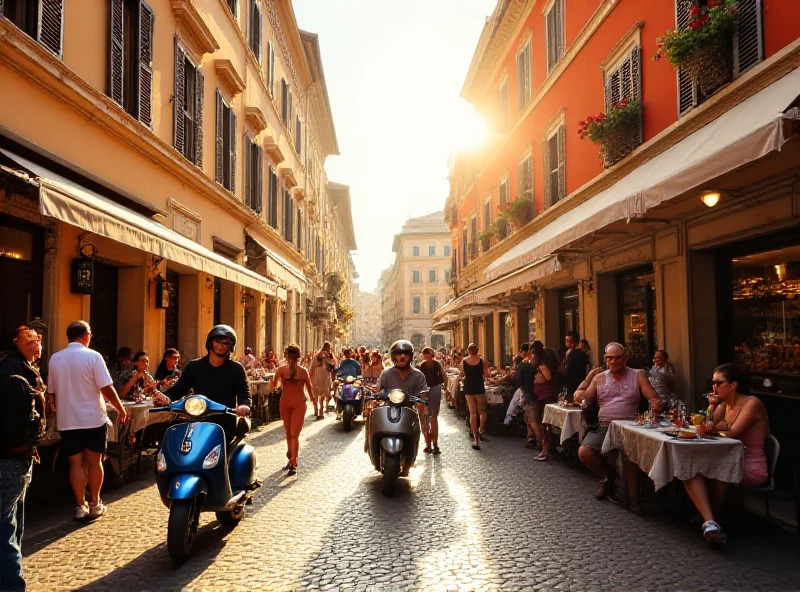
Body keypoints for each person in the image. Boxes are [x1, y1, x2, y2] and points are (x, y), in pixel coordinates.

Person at [47, 321, 129, 520]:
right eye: (90, 334)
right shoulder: (93, 356)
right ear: (85, 335)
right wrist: (120, 408)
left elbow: (51, 392)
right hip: (92, 418)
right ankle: (94, 502)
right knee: (94, 462)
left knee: (75, 463)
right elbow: (106, 388)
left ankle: (79, 505)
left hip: (68, 419)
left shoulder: (55, 359)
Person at [682, 363, 769, 545]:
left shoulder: (751, 403)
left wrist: (718, 428)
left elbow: (733, 433)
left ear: (733, 385)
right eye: (712, 383)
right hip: (727, 458)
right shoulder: (723, 405)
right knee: (688, 468)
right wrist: (712, 407)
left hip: (751, 464)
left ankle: (712, 517)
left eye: (718, 382)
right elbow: (703, 425)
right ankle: (710, 521)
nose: (713, 387)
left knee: (718, 472)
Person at [574, 342, 662, 510]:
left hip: (630, 425)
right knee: (584, 452)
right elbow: (583, 398)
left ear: (625, 358)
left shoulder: (638, 375)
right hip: (605, 425)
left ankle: (634, 500)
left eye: (617, 358)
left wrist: (655, 403)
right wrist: (586, 383)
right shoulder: (600, 378)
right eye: (609, 358)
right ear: (605, 359)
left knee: (628, 455)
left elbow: (652, 397)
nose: (613, 362)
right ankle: (609, 475)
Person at [0, 326, 45, 592]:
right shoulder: (14, 376)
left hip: (17, 459)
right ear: (16, 343)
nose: (37, 345)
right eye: (31, 341)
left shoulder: (21, 372)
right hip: (11, 459)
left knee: (11, 527)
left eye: (39, 340)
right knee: (6, 530)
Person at [160, 325, 251, 444]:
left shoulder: (236, 369)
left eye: (226, 343)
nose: (222, 345)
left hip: (225, 424)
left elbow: (244, 394)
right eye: (218, 341)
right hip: (198, 422)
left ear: (231, 346)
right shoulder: (194, 367)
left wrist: (244, 406)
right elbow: (177, 391)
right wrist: (162, 398)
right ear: (210, 343)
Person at [269, 344, 312, 476]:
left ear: (286, 356)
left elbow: (273, 389)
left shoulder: (281, 370)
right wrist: (314, 401)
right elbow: (310, 389)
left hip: (286, 403)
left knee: (290, 433)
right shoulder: (303, 371)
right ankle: (292, 458)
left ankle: (293, 460)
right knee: (293, 434)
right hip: (297, 403)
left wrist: (272, 384)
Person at [526, 349, 560, 462]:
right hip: (544, 397)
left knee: (544, 425)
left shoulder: (543, 366)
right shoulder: (548, 365)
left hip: (545, 398)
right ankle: (545, 449)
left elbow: (549, 378)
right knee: (544, 425)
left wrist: (540, 376)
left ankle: (545, 450)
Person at [418, 347, 447, 454]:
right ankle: (435, 445)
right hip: (436, 389)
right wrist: (446, 389)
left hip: (425, 391)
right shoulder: (437, 364)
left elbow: (419, 380)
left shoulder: (422, 365)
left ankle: (428, 445)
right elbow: (445, 377)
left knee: (426, 418)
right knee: (434, 417)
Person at [461, 343, 488, 450]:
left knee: (473, 413)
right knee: (482, 412)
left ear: (468, 350)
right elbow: (485, 374)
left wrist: (465, 376)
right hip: (479, 387)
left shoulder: (464, 361)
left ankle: (475, 438)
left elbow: (462, 374)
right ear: (477, 350)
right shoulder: (482, 361)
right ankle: (481, 430)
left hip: (469, 388)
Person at [505, 343, 531, 425]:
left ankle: (508, 421)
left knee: (514, 402)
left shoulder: (526, 361)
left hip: (524, 387)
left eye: (521, 351)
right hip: (527, 387)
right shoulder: (531, 360)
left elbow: (518, 379)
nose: (520, 352)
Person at [309, 342, 335, 419]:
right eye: (329, 348)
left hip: (320, 376)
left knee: (317, 394)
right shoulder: (327, 356)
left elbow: (312, 367)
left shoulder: (319, 355)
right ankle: (320, 410)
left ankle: (317, 410)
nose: (330, 350)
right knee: (322, 394)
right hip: (323, 376)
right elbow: (332, 367)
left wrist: (309, 378)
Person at [562, 331, 589, 401]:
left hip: (573, 385)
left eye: (567, 341)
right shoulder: (569, 353)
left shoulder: (576, 355)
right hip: (574, 385)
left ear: (573, 342)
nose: (566, 342)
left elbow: (568, 370)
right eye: (565, 340)